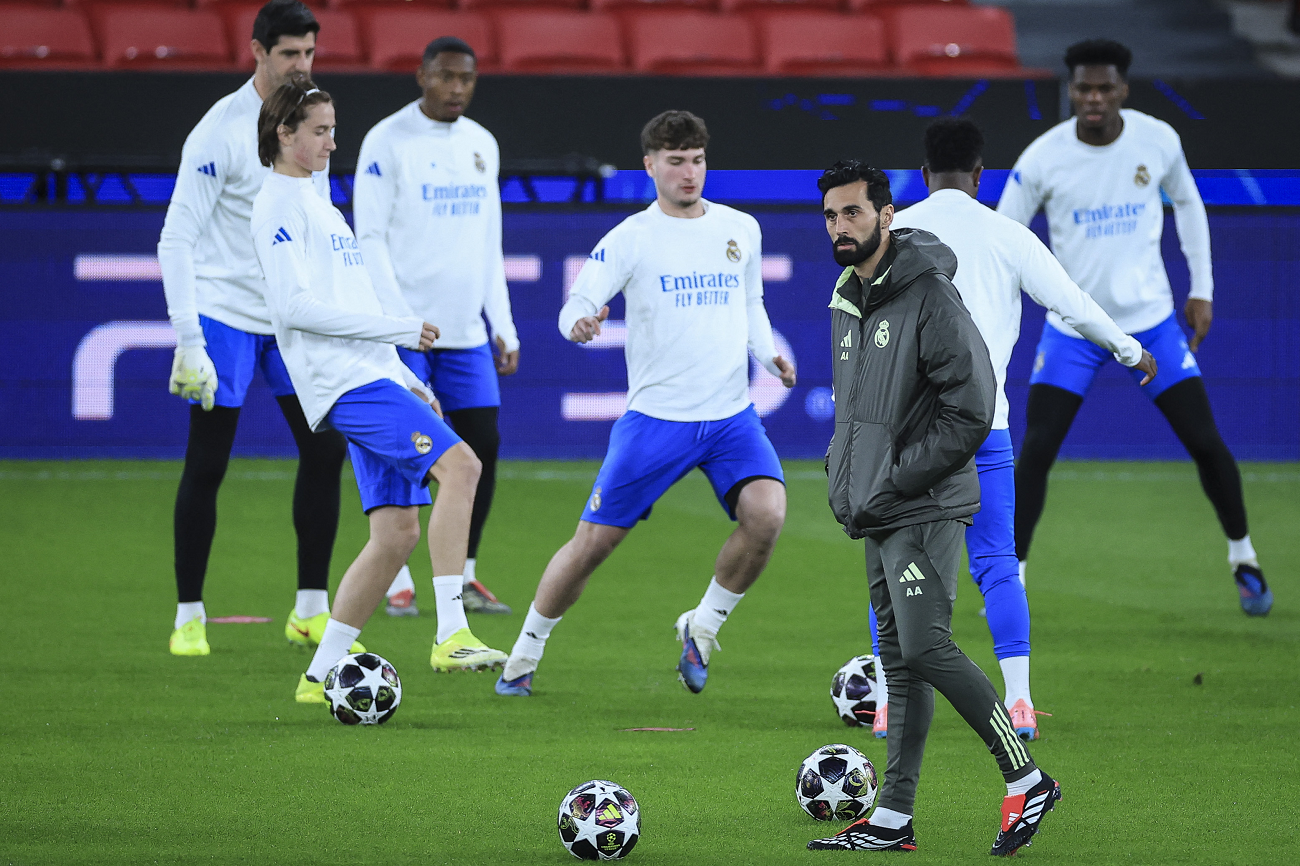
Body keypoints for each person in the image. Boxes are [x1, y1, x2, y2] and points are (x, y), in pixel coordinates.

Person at [858, 118, 1157, 741]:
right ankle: (1019, 703)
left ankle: (890, 700)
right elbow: (1072, 303)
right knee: (996, 562)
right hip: (981, 431)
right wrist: (1130, 350)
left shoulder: (894, 237)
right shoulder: (1007, 235)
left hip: (906, 438)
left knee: (895, 566)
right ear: (981, 174)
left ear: (921, 174)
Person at [493, 110, 796, 698]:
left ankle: (702, 626)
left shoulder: (741, 228)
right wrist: (577, 324)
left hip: (732, 418)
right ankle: (524, 654)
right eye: (676, 160)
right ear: (650, 165)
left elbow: (750, 302)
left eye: (698, 159)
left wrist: (768, 354)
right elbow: (576, 301)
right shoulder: (632, 237)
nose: (689, 172)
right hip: (656, 422)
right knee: (592, 547)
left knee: (768, 515)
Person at [808, 161, 1058, 856]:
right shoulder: (847, 296)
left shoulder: (931, 297)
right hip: (878, 506)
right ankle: (893, 816)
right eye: (831, 215)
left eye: (853, 213)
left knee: (925, 645)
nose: (840, 227)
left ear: (889, 215)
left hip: (924, 504)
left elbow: (973, 410)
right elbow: (856, 412)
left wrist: (897, 480)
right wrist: (848, 479)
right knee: (899, 661)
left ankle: (1026, 776)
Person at [248, 81, 507, 699]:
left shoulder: (319, 203)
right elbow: (295, 308)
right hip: (342, 384)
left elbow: (350, 299)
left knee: (396, 534)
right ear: (283, 132)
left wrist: (408, 376)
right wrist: (400, 330)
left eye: (334, 129)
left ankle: (318, 676)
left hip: (373, 376)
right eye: (318, 129)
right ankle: (451, 630)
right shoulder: (277, 207)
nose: (332, 142)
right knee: (463, 466)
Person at [998, 39, 1271, 617]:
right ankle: (1011, 576)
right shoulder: (1043, 157)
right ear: (1071, 91)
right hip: (1074, 333)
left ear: (1123, 89)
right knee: (1038, 450)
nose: (1093, 98)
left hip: (1153, 328)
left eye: (1104, 88)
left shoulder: (1158, 140)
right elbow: (1004, 237)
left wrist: (1203, 289)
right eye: (1083, 88)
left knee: (1204, 442)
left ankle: (1243, 556)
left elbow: (1190, 206)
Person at [159, 0, 353, 657]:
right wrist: (189, 338)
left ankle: (310, 610)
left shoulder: (312, 123)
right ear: (258, 52)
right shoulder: (220, 130)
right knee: (209, 462)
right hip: (225, 317)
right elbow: (176, 237)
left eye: (309, 54)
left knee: (326, 450)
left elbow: (319, 229)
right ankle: (189, 613)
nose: (302, 66)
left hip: (291, 317)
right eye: (290, 54)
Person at [354, 36, 518, 619]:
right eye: (446, 76)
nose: (456, 88)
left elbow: (487, 242)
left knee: (484, 446)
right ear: (421, 75)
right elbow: (367, 237)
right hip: (406, 330)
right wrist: (397, 323)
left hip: (466, 332)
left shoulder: (481, 144)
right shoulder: (386, 141)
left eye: (467, 79)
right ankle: (397, 575)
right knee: (407, 449)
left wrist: (502, 322)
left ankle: (465, 574)